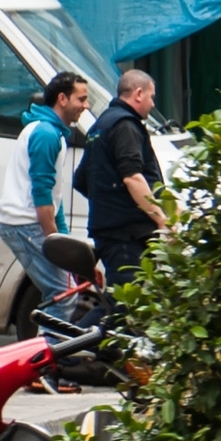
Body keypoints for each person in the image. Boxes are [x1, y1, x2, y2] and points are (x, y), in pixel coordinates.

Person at [0, 69, 89, 311]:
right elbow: (42, 196)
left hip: (25, 224)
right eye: (81, 99)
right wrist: (55, 244)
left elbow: (52, 197)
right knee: (64, 294)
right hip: (25, 224)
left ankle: (49, 346)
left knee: (61, 292)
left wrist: (64, 243)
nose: (86, 106)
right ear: (62, 99)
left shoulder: (51, 132)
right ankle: (49, 349)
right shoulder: (46, 134)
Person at [76, 68, 168, 285]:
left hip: (111, 232)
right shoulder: (126, 125)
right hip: (127, 235)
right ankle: (83, 323)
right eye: (151, 97)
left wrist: (108, 202)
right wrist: (161, 219)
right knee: (127, 305)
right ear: (138, 94)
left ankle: (85, 322)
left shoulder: (99, 126)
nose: (153, 104)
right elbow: (132, 177)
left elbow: (81, 179)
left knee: (127, 302)